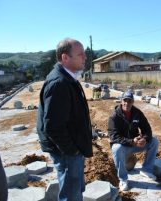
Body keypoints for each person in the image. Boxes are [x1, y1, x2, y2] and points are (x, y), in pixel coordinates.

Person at [37, 38, 93, 201]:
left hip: (71, 147)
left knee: (75, 189)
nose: (85, 58)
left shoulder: (68, 77)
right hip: (67, 152)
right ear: (65, 58)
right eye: (80, 54)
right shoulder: (59, 83)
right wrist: (72, 150)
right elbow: (53, 127)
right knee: (71, 194)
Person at [108, 91, 159, 191]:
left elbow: (147, 129)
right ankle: (123, 179)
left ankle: (146, 170)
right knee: (116, 148)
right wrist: (131, 141)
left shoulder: (137, 113)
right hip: (123, 146)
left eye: (130, 101)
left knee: (154, 142)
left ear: (133, 102)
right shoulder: (114, 117)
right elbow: (114, 137)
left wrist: (145, 138)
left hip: (136, 144)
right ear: (121, 101)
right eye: (125, 100)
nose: (127, 103)